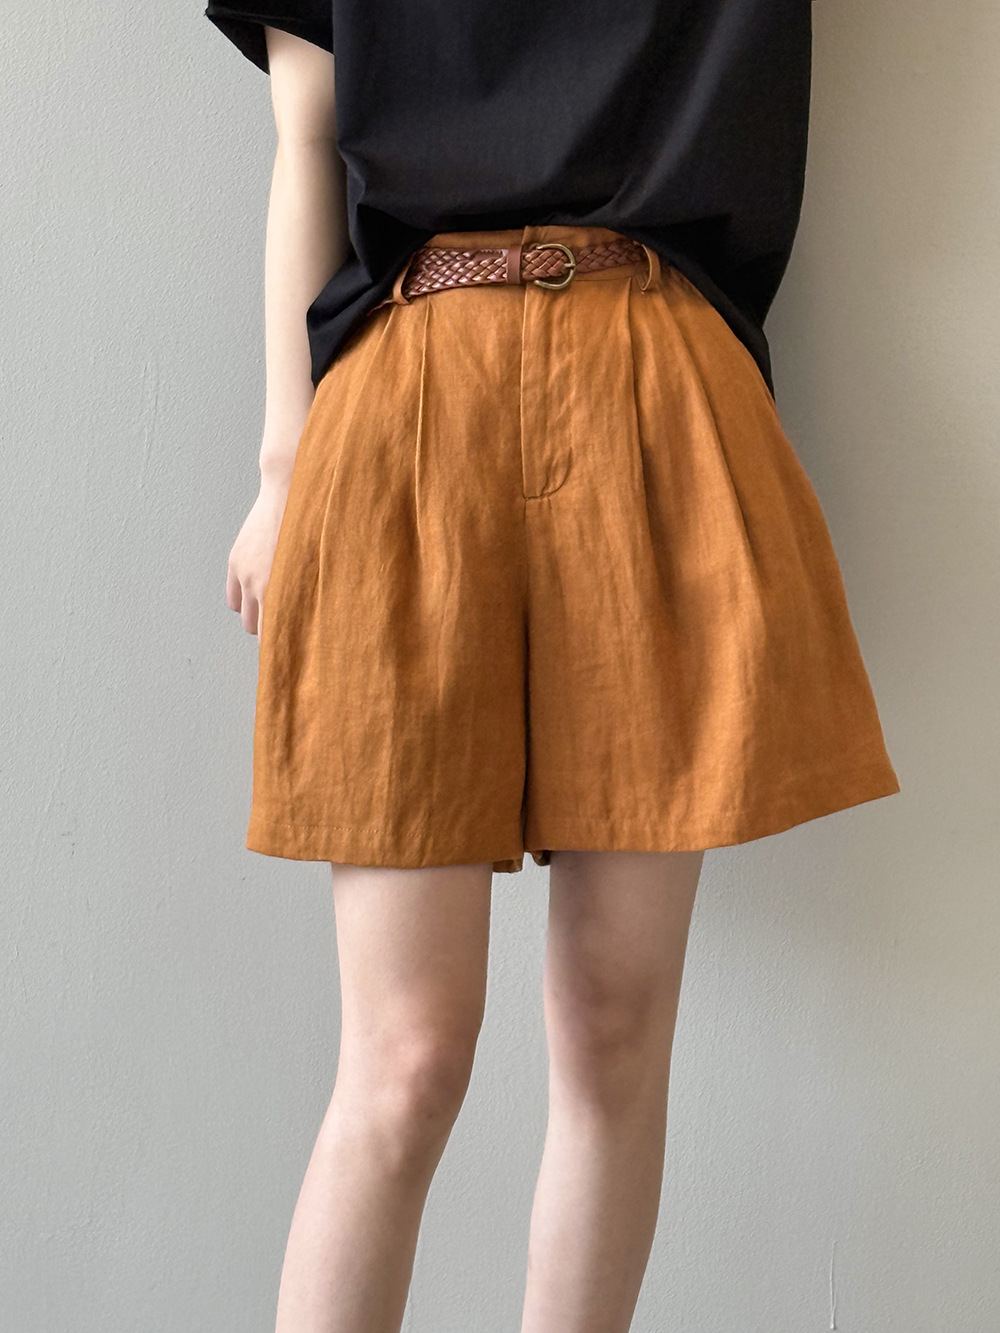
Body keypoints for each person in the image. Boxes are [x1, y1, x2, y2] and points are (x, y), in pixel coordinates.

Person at [203, 2, 900, 1329]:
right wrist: (281, 464)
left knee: (614, 1025)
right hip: (410, 387)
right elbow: (303, 137)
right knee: (407, 1056)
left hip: (658, 371)